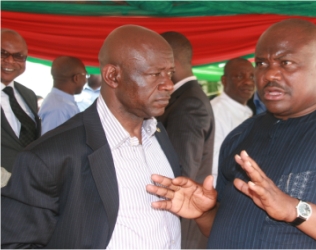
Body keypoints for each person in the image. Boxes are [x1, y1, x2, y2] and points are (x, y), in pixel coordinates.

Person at [147, 19, 316, 249]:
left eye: (286, 62)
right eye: (261, 63)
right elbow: (231, 229)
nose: (269, 74)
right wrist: (204, 214)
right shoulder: (240, 137)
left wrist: (295, 210)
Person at [2, 25, 181, 249]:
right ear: (112, 76)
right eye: (155, 74)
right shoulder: (49, 157)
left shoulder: (158, 134)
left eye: (170, 73)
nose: (169, 84)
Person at [157, 31, 214, 249]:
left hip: (181, 224)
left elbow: (181, 174)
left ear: (169, 61)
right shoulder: (184, 98)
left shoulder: (188, 104)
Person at [1, 28, 41, 173]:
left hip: (26, 184)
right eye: (2, 53)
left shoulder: (28, 95)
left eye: (18, 56)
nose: (10, 61)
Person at [211, 57, 254, 186]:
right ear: (224, 81)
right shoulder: (216, 112)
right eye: (240, 76)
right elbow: (214, 162)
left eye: (252, 76)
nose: (248, 82)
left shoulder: (246, 110)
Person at [38, 56, 86, 135]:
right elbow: (52, 144)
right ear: (76, 78)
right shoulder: (58, 108)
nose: (85, 80)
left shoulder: (61, 103)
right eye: (85, 75)